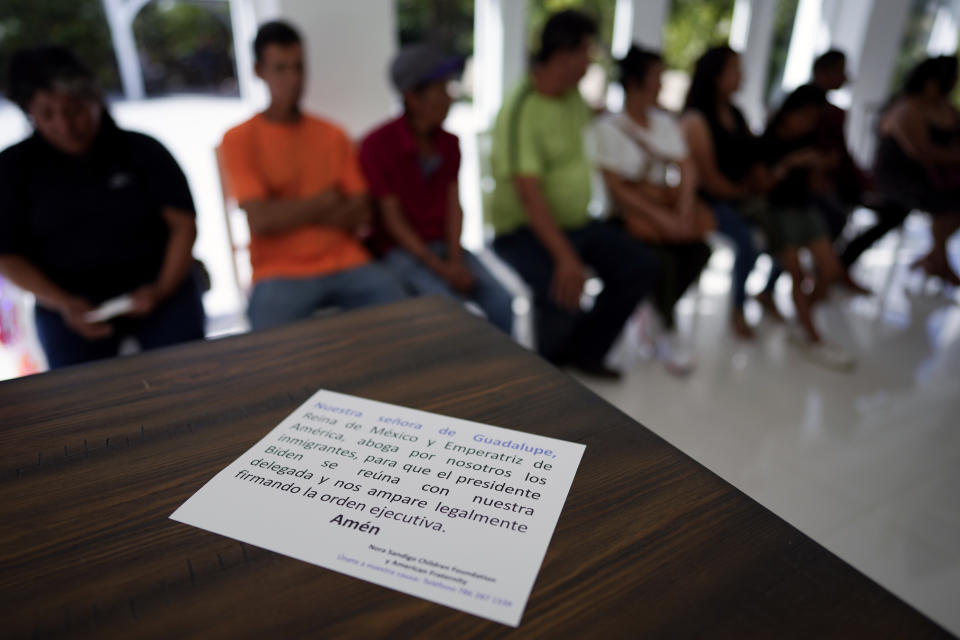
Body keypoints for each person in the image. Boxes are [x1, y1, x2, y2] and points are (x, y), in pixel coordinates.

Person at [0, 46, 205, 369]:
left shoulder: (143, 151)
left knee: (190, 372)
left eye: (75, 109)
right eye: (47, 113)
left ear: (95, 98)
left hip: (160, 288)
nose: (65, 124)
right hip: (65, 303)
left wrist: (161, 289)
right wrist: (64, 303)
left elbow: (184, 225)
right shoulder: (13, 168)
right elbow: (8, 256)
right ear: (29, 112)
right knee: (76, 398)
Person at [490, 10, 659, 379]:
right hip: (523, 231)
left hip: (577, 222)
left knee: (639, 265)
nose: (590, 62)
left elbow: (595, 124)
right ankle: (550, 372)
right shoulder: (520, 109)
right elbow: (528, 194)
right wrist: (566, 257)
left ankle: (584, 351)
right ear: (564, 54)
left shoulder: (571, 98)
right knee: (559, 286)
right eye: (587, 52)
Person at [219, 21, 405, 331]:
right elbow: (261, 220)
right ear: (258, 71)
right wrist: (326, 200)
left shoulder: (332, 134)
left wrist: (288, 210)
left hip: (347, 261)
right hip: (279, 271)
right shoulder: (239, 139)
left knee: (405, 320)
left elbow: (362, 211)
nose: (293, 79)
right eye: (281, 69)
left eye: (298, 67)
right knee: (270, 353)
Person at [359, 43, 513, 334]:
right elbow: (392, 220)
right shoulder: (376, 145)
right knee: (452, 313)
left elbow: (455, 204)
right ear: (412, 97)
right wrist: (443, 268)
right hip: (401, 252)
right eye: (440, 88)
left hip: (446, 247)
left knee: (502, 302)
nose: (449, 97)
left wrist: (455, 260)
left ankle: (508, 374)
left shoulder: (449, 143)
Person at [592, 45, 711, 375]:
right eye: (656, 77)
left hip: (662, 211)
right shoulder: (608, 127)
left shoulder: (663, 123)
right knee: (660, 258)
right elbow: (617, 190)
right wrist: (664, 220)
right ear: (635, 82)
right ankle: (661, 324)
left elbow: (687, 167)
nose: (661, 84)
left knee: (699, 250)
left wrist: (683, 213)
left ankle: (660, 314)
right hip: (625, 217)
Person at [757, 85, 855, 370]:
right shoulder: (769, 140)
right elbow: (762, 185)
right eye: (806, 115)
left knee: (830, 269)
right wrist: (789, 164)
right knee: (797, 274)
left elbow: (814, 182)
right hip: (779, 212)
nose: (809, 122)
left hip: (805, 209)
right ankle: (811, 336)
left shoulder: (810, 138)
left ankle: (804, 321)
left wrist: (819, 166)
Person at [679, 46, 769, 338]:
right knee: (748, 242)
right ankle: (738, 308)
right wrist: (744, 191)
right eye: (735, 70)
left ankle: (765, 294)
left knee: (782, 230)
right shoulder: (696, 119)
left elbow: (754, 158)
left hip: (738, 196)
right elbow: (710, 180)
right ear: (717, 76)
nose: (742, 76)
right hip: (711, 200)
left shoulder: (736, 114)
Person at [873, 55, 960, 285]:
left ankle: (935, 256)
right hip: (902, 178)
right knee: (944, 201)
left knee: (953, 200)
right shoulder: (908, 108)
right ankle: (940, 260)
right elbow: (921, 151)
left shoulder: (944, 109)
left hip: (932, 175)